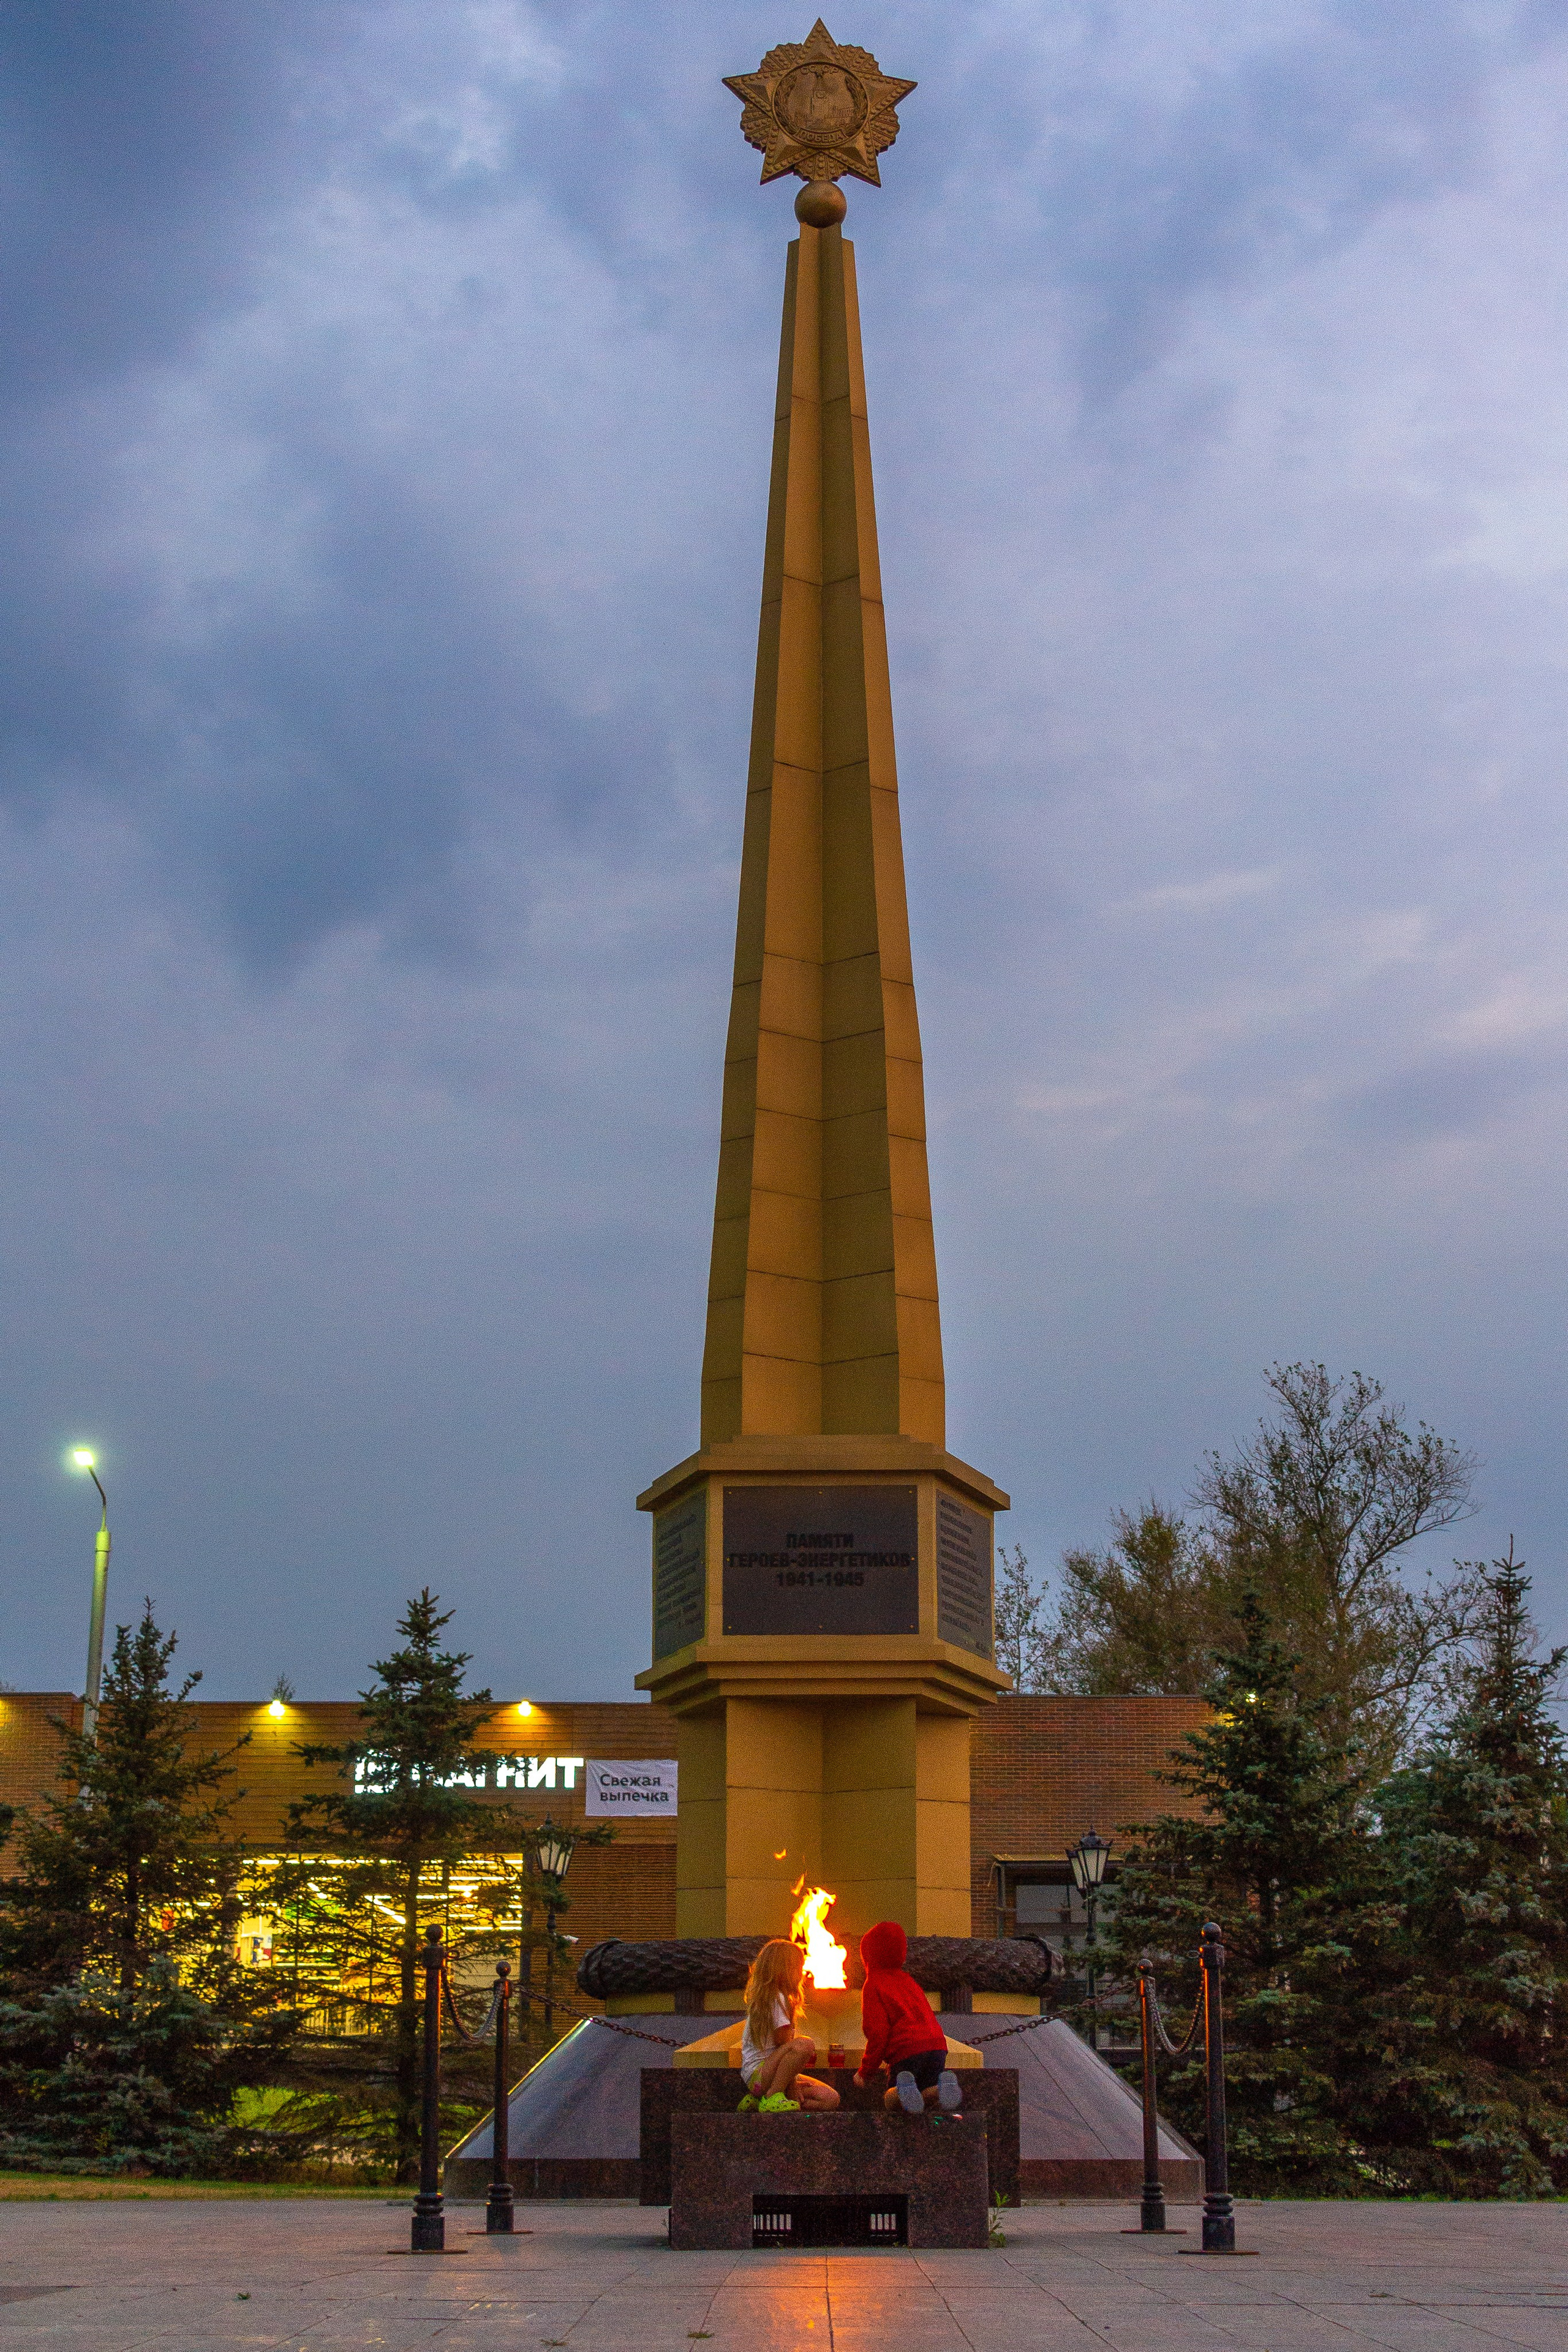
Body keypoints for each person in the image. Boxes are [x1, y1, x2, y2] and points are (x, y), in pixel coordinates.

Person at [853, 1920, 962, 2116]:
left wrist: (865, 2072)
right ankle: (941, 2088)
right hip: (937, 2048)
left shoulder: (874, 1984)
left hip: (906, 2053)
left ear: (868, 1956)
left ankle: (902, 2090)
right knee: (923, 2095)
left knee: (891, 2102)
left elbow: (878, 2033)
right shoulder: (909, 1981)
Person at [738, 1939, 840, 2113]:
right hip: (760, 2075)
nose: (802, 1972)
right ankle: (772, 2096)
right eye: (798, 1967)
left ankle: (758, 2100)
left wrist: (790, 2083)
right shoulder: (777, 1998)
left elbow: (783, 2055)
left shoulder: (780, 1998)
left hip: (765, 2078)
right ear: (785, 1970)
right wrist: (791, 2085)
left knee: (830, 2099)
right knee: (804, 2045)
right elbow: (784, 2045)